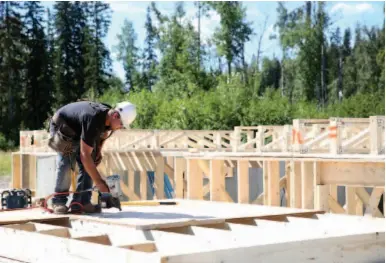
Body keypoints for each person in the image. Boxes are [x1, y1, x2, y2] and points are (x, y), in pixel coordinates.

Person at [47, 100, 136, 214]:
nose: (121, 127)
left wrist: (98, 150)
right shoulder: (93, 118)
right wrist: (100, 184)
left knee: (91, 161)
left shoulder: (107, 117)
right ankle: (59, 202)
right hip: (63, 126)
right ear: (115, 115)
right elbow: (85, 156)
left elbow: (103, 134)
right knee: (67, 162)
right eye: (122, 124)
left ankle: (81, 203)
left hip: (80, 129)